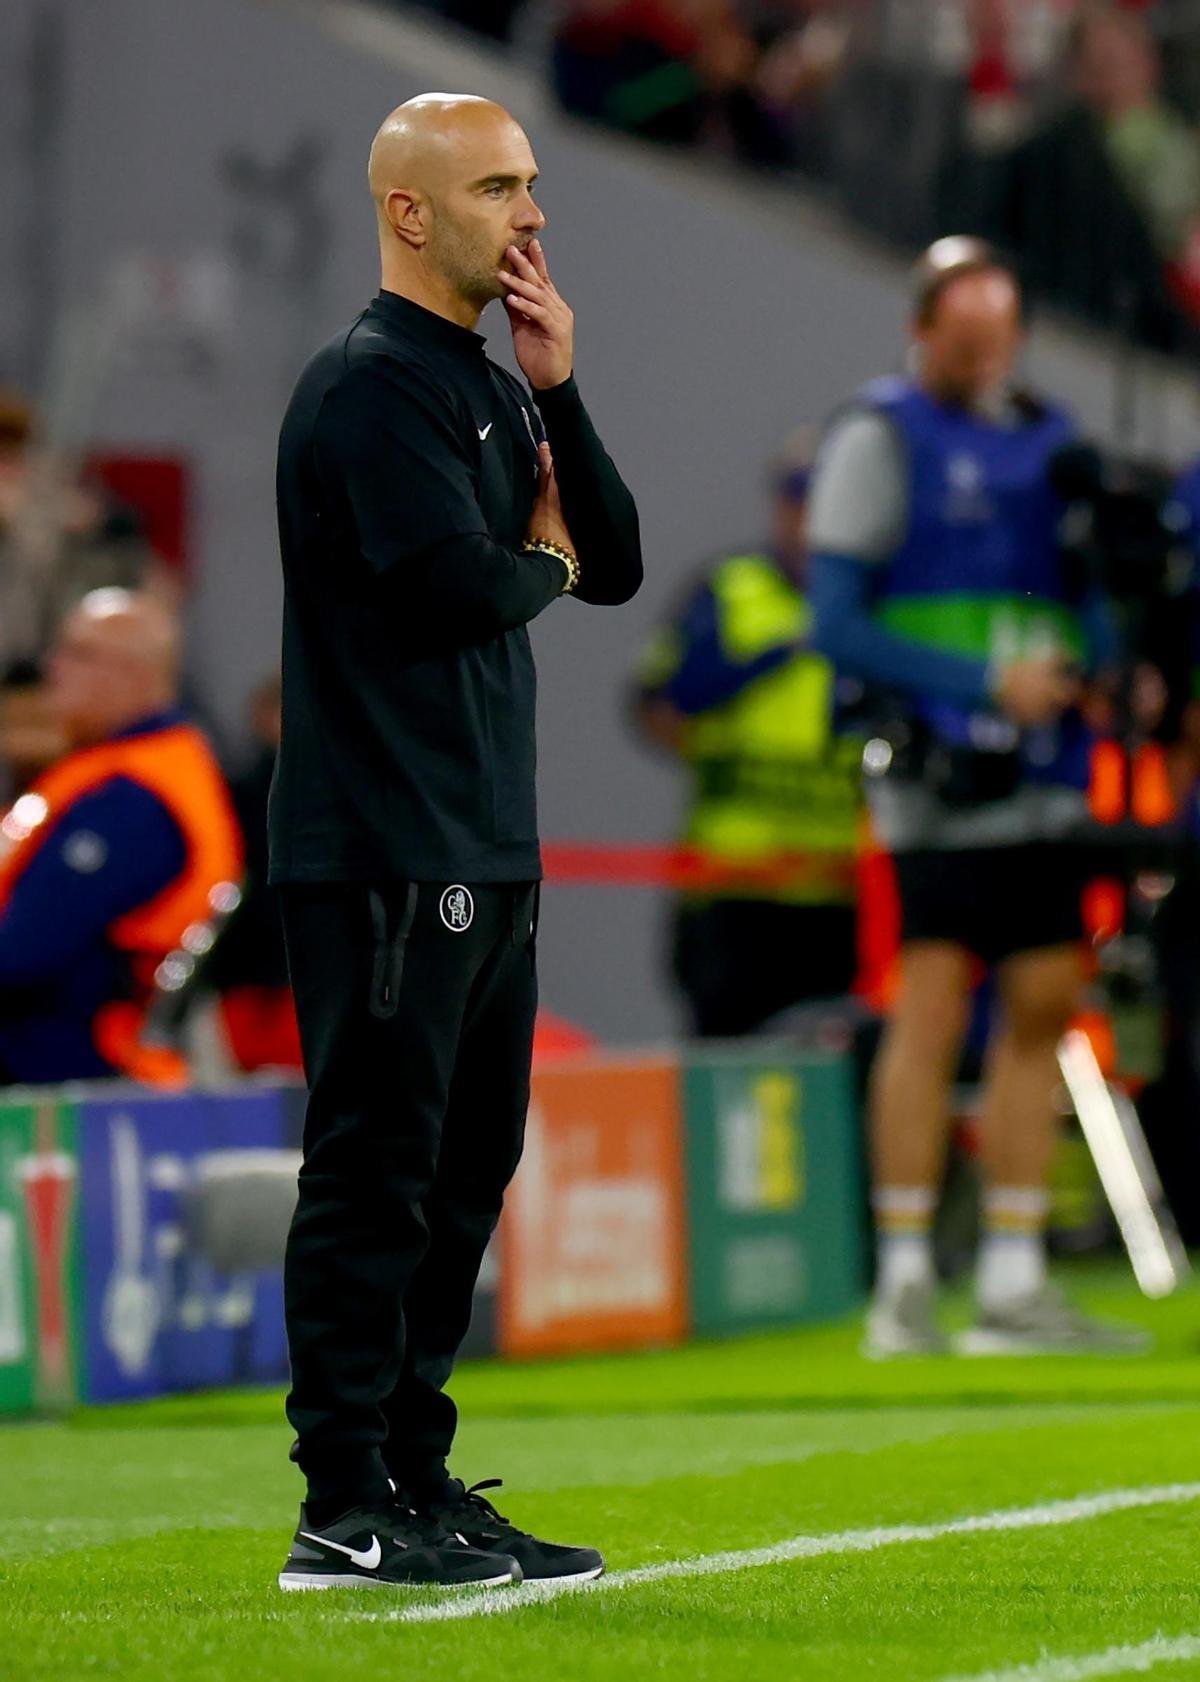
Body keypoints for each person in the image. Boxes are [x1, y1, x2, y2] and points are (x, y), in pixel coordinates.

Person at [272, 94, 641, 1591]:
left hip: (484, 843)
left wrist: (563, 391)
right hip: (382, 846)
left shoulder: (490, 384)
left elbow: (608, 563)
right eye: (497, 188)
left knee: (463, 1171)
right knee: (378, 1172)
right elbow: (460, 588)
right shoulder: (369, 388)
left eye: (531, 184)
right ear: (409, 211)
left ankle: (417, 1478)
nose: (531, 214)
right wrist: (537, 553)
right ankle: (341, 1500)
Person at [809, 236, 1146, 1358]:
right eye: (964, 339)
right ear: (923, 329)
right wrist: (980, 684)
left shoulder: (1055, 445)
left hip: (1043, 774)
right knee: (934, 998)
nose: (983, 358)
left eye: (998, 338)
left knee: (1045, 999)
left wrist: (1107, 669)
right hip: (939, 775)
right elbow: (835, 622)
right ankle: (905, 1277)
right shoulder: (881, 434)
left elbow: (1085, 592)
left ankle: (1011, 1274)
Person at [631, 436, 862, 1036]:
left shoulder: (874, 603)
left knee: (831, 1061)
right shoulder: (731, 589)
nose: (811, 522)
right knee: (726, 1061)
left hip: (835, 890)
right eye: (799, 502)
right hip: (734, 888)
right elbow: (658, 707)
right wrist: (768, 659)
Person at [0, 588, 241, 1084]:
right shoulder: (110, 768)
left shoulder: (135, 796)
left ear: (136, 674)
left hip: (74, 1061)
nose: (54, 668)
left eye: (80, 653)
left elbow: (26, 951)